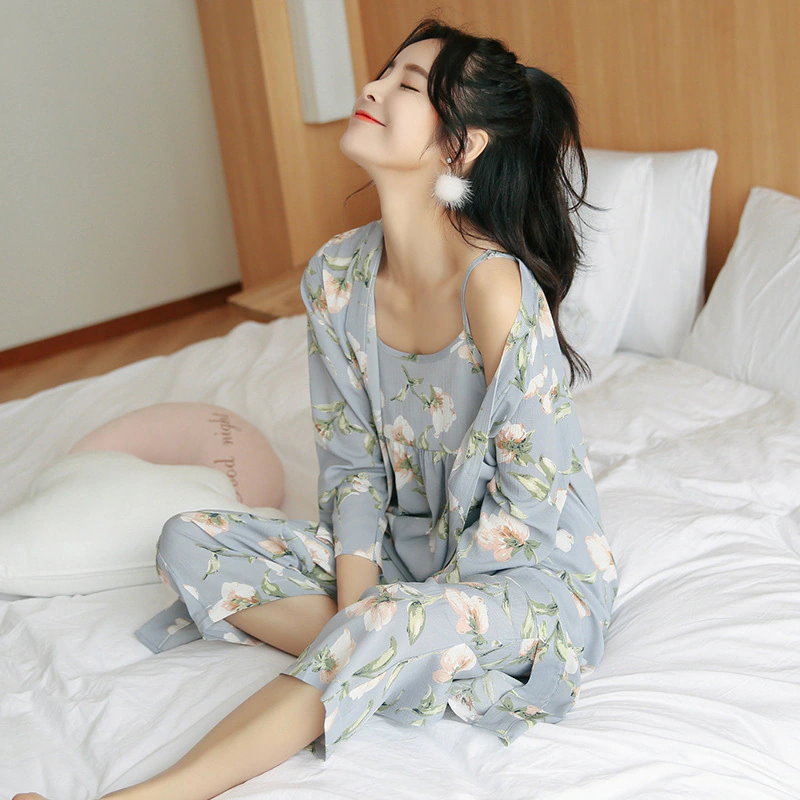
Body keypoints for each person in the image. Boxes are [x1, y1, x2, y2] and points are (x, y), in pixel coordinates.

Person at [12, 15, 619, 800]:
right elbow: (352, 466)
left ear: (460, 146)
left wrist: (408, 611)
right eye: (385, 72)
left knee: (391, 624)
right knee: (188, 542)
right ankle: (397, 657)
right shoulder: (336, 274)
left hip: (524, 582)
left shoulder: (495, 288)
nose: (372, 87)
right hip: (402, 562)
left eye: (407, 85)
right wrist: (364, 600)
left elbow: (529, 511)